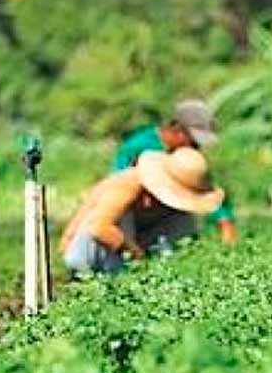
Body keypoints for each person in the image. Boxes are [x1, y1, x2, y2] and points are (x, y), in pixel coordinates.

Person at [60, 147, 225, 275]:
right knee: (122, 218)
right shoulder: (128, 185)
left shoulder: (174, 211)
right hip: (86, 256)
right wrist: (137, 257)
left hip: (135, 249)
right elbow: (99, 228)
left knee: (184, 223)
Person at [113, 99, 238, 245]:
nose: (195, 147)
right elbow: (115, 187)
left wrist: (224, 221)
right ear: (177, 129)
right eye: (193, 140)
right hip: (130, 216)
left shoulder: (187, 156)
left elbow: (205, 189)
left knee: (186, 221)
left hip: (162, 219)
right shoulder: (138, 146)